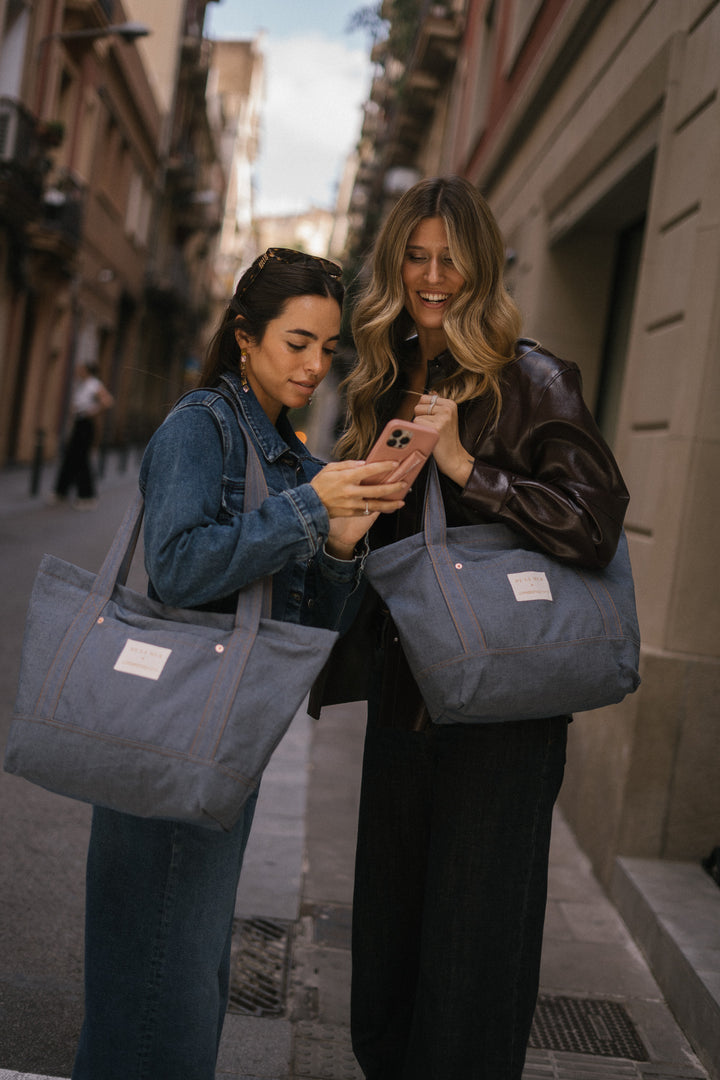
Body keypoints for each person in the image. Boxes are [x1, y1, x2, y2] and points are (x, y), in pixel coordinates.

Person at [71, 248, 408, 1080]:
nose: (314, 365)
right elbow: (179, 566)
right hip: (172, 728)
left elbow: (313, 626)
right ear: (245, 336)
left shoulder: (290, 453)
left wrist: (337, 543)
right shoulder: (201, 427)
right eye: (297, 342)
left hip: (227, 739)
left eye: (328, 349)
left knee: (183, 975)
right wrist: (306, 509)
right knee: (162, 986)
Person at [326, 177, 630, 1079]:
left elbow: (595, 522)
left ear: (480, 268)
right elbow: (383, 551)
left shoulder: (531, 380)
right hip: (406, 705)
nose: (431, 277)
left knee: (473, 966)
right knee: (387, 958)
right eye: (414, 258)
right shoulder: (384, 377)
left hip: (502, 720)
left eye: (448, 260)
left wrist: (464, 464)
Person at [51, 361, 114, 508]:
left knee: (81, 459)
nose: (78, 371)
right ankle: (61, 491)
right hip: (80, 423)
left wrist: (91, 412)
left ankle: (86, 496)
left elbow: (107, 401)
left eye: (81, 369)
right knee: (71, 457)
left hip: (85, 425)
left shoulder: (93, 384)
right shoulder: (85, 384)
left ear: (87, 371)